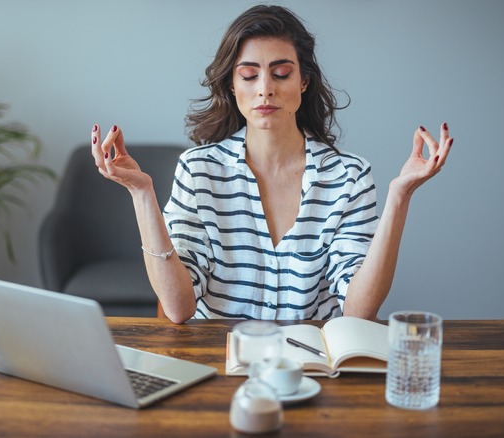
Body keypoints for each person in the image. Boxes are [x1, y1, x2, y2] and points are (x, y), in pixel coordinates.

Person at [90, 5, 452, 323]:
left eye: (281, 73)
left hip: (311, 372)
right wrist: (141, 193)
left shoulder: (349, 176)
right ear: (232, 85)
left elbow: (357, 311)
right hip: (221, 366)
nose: (265, 88)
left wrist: (400, 197)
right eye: (249, 75)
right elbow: (178, 307)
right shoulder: (198, 170)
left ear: (304, 81)